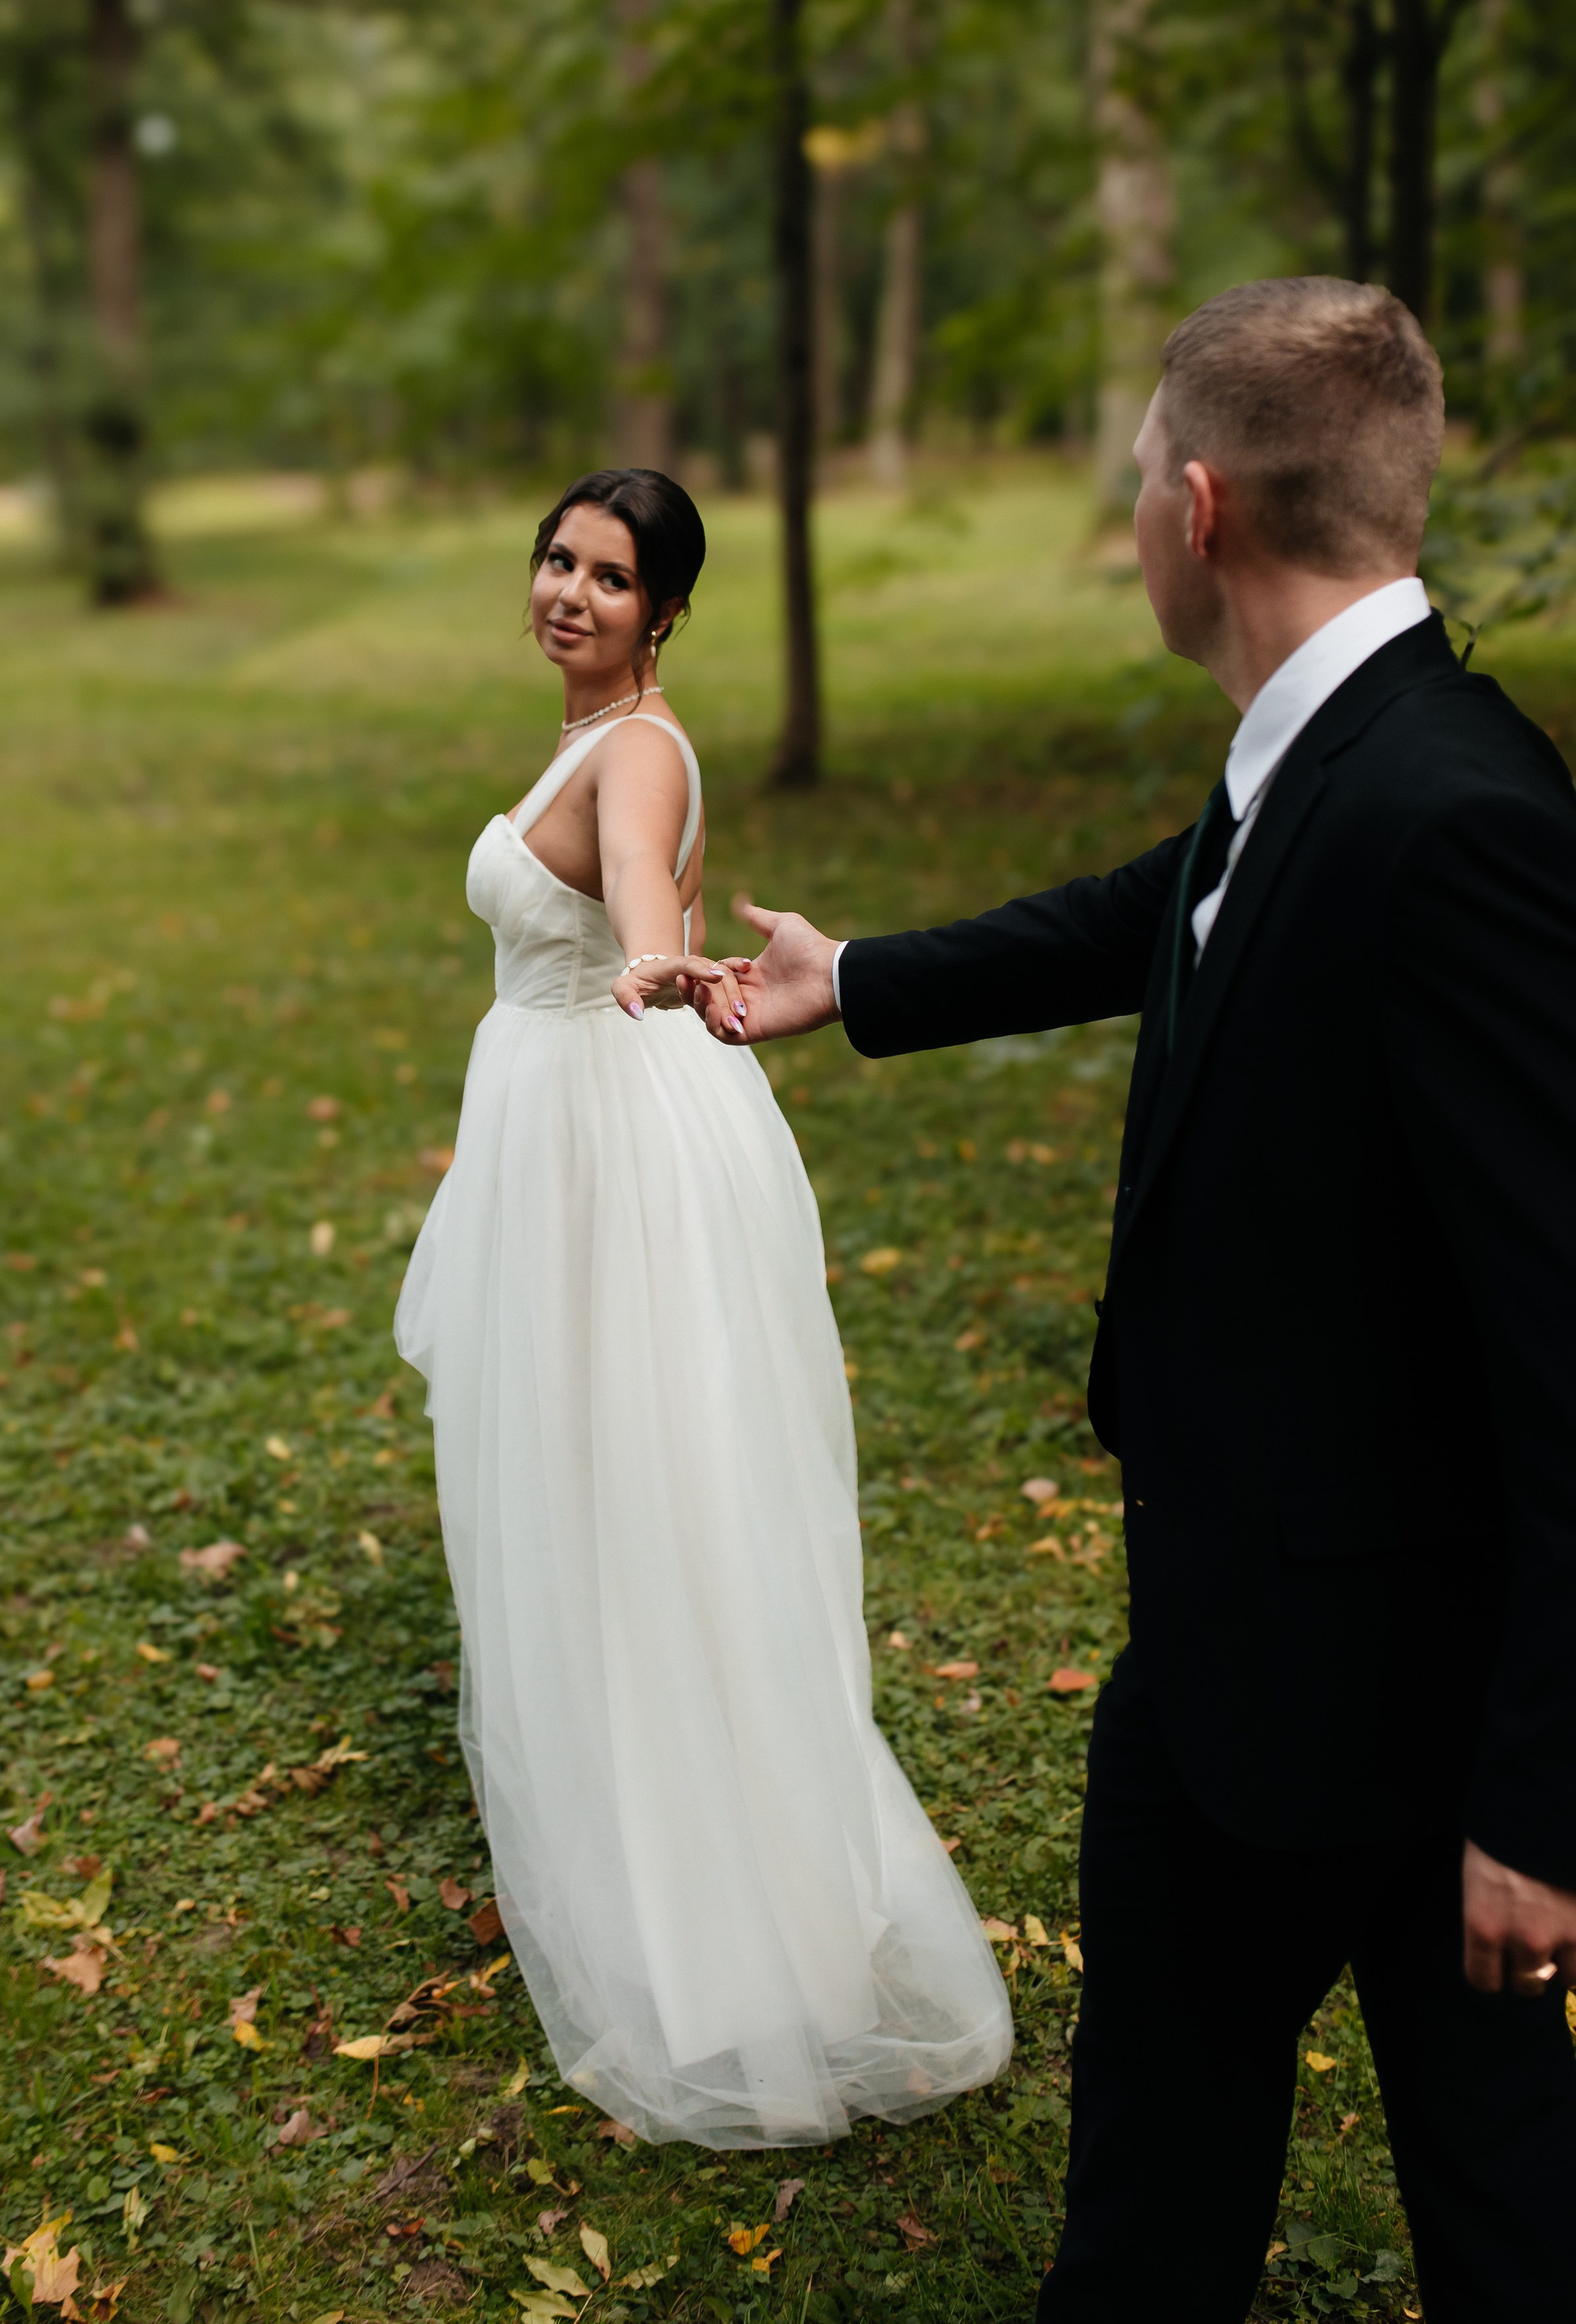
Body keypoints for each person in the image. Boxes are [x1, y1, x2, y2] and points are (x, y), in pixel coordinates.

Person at [684, 281, 1576, 2316]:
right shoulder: (1329, 748)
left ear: (1196, 510)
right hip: (1233, 1633)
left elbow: (1575, 1342)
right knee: (1177, 2168)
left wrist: (1549, 1803)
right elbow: (1165, 909)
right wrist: (864, 978)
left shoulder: (1454, 814)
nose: (1128, 522)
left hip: (1396, 1692)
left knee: (1492, 2205)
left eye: (1131, 486)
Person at [393, 465, 1011, 2150]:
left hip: (604, 1144)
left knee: (641, 1504)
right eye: (556, 559)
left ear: (661, 610)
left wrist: (658, 961)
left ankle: (717, 1911)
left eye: (608, 577)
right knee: (587, 1497)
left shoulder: (641, 751)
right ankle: (638, 1842)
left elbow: (638, 898)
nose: (567, 593)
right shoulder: (593, 730)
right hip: (559, 1126)